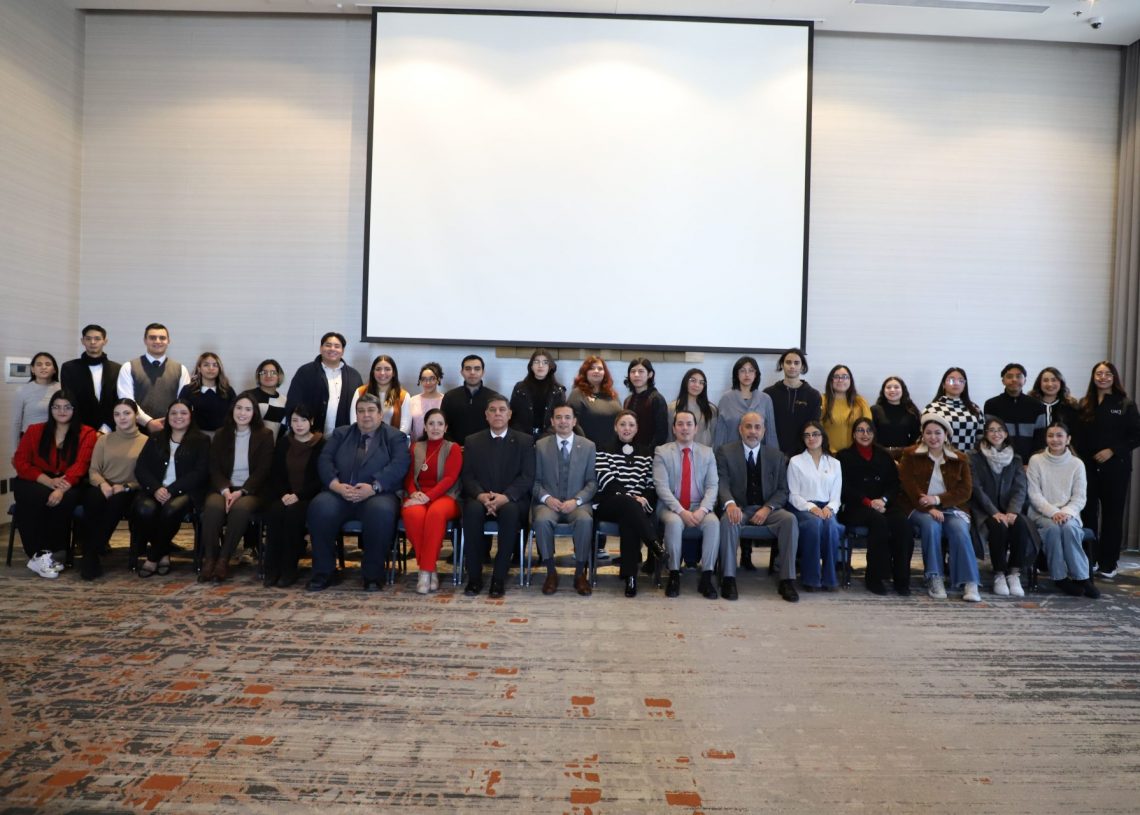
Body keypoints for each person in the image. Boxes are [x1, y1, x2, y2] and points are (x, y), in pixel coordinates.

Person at [306, 393, 410, 592]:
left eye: (371, 410)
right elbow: (325, 460)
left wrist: (374, 487)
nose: (366, 415)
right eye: (361, 411)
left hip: (378, 494)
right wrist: (336, 485)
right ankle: (324, 573)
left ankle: (373, 576)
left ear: (380, 414)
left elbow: (400, 464)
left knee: (380, 512)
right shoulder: (341, 433)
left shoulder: (394, 436)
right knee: (319, 507)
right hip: (340, 493)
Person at [11, 390, 98, 577]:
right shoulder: (35, 430)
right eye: (56, 407)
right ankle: (38, 555)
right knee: (32, 496)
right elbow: (20, 462)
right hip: (36, 478)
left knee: (65, 499)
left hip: (70, 481)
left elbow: (81, 465)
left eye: (67, 407)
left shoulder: (87, 433)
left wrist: (60, 488)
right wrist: (49, 482)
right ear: (50, 409)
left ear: (74, 409)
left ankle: (53, 552)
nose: (62, 411)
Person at [716, 412, 800, 602]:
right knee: (728, 521)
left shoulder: (776, 456)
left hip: (767, 510)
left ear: (764, 431)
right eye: (748, 426)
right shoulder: (725, 452)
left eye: (757, 427)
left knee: (790, 520)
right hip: (739, 508)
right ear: (740, 429)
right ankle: (728, 578)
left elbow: (783, 490)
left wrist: (767, 508)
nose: (752, 431)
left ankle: (787, 580)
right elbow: (722, 483)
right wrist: (730, 504)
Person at [898, 413, 980, 602]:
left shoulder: (960, 458)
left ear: (946, 435)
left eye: (937, 433)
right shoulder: (911, 454)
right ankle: (934, 577)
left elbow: (965, 491)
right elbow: (908, 486)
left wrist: (937, 500)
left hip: (951, 507)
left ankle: (969, 581)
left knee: (960, 529)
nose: (933, 437)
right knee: (931, 525)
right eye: (928, 433)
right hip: (918, 506)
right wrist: (929, 508)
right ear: (922, 435)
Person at [460, 395, 535, 598]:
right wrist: (481, 496)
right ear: (486, 415)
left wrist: (506, 496)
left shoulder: (525, 441)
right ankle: (474, 577)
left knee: (510, 513)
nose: (497, 414)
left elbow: (527, 476)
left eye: (502, 410)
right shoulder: (473, 441)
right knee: (471, 511)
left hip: (511, 500)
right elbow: (467, 476)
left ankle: (498, 578)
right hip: (480, 498)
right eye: (492, 410)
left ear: (509, 414)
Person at [197, 393, 274, 583]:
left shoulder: (265, 435)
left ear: (254, 413)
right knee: (212, 508)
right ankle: (210, 559)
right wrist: (225, 490)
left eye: (248, 409)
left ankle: (224, 560)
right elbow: (214, 467)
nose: (242, 413)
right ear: (232, 410)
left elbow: (263, 470)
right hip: (224, 488)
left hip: (251, 490)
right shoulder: (221, 434)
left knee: (240, 509)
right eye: (239, 408)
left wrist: (241, 491)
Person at [1076, 360, 1140, 579]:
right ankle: (1089, 558)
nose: (1102, 377)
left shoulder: (1125, 404)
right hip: (1087, 468)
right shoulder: (1084, 403)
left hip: (1116, 468)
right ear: (1093, 377)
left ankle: (1108, 563)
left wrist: (1112, 450)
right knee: (1088, 513)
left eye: (1107, 374)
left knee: (1113, 515)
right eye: (1099, 374)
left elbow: (1136, 435)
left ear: (1114, 378)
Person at [837, 417, 913, 596]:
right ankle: (874, 578)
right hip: (856, 507)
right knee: (878, 521)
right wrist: (868, 502)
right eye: (860, 430)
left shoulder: (884, 455)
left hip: (883, 504)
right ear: (853, 434)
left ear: (874, 433)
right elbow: (844, 487)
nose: (865, 434)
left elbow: (894, 484)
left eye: (869, 430)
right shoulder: (843, 457)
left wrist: (884, 500)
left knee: (902, 523)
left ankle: (902, 580)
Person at [133, 399, 210, 577]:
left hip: (185, 491)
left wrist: (172, 490)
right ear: (167, 416)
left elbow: (200, 472)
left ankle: (153, 557)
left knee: (170, 510)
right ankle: (164, 552)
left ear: (191, 416)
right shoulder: (156, 437)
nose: (178, 416)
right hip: (155, 489)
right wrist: (155, 488)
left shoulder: (201, 440)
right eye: (173, 413)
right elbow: (141, 468)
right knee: (144, 509)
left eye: (183, 413)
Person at [593, 410, 664, 598]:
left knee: (630, 517)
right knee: (628, 505)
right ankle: (654, 544)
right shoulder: (603, 449)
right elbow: (606, 479)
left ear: (637, 428)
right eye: (622, 424)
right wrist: (631, 497)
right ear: (615, 427)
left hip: (636, 507)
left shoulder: (646, 452)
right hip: (609, 503)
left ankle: (630, 577)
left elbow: (651, 484)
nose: (627, 428)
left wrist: (643, 499)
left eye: (631, 425)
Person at [1027, 421, 1099, 598]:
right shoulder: (1036, 460)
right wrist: (1054, 512)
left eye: (1059, 435)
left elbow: (1079, 497)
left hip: (1069, 514)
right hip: (1041, 513)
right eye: (1050, 435)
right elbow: (1034, 494)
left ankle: (1082, 577)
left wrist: (1065, 513)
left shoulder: (1077, 464)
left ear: (1068, 439)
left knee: (1069, 528)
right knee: (1052, 528)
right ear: (1046, 439)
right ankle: (1059, 577)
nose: (1055, 439)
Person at [532, 404, 597, 596]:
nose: (563, 421)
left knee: (585, 521)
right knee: (541, 521)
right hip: (548, 503)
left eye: (567, 417)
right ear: (552, 421)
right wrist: (547, 498)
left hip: (577, 504)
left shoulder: (588, 446)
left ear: (574, 421)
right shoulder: (540, 446)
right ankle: (551, 572)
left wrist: (576, 501)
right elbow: (534, 481)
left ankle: (580, 574)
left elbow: (592, 482)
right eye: (558, 417)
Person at [654, 410, 719, 599]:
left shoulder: (707, 453)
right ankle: (674, 574)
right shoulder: (662, 452)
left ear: (696, 428)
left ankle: (707, 576)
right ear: (674, 429)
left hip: (699, 506)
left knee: (713, 523)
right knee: (674, 523)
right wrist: (681, 511)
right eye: (680, 424)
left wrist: (703, 510)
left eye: (689, 424)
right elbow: (661, 487)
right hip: (671, 508)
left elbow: (712, 486)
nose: (685, 428)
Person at [80, 398, 147, 580]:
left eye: (127, 413)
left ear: (136, 416)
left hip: (129, 490)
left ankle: (91, 553)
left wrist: (125, 487)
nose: (122, 418)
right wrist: (103, 484)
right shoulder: (103, 440)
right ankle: (93, 551)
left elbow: (147, 477)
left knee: (117, 502)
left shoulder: (146, 442)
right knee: (92, 499)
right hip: (102, 485)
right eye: (117, 414)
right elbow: (94, 470)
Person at [968, 417, 1032, 598]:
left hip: (1009, 509)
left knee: (1021, 525)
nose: (996, 434)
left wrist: (1012, 511)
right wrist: (994, 512)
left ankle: (1014, 573)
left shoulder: (1016, 459)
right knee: (998, 526)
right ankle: (999, 573)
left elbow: (1020, 488)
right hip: (984, 510)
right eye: (991, 430)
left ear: (1005, 434)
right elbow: (976, 488)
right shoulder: (974, 457)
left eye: (1000, 430)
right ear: (985, 434)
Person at [262, 404, 325, 588]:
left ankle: (288, 569)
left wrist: (298, 495)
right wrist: (284, 494)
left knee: (293, 515)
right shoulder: (284, 443)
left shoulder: (320, 444)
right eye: (295, 420)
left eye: (303, 420)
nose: (299, 425)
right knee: (275, 512)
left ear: (311, 421)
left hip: (308, 497)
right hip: (284, 495)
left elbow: (320, 478)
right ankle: (271, 569)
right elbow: (275, 474)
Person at [402, 408, 462, 594]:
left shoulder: (453, 448)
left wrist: (428, 497)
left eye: (440, 424)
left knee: (435, 514)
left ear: (446, 428)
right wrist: (414, 494)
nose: (435, 428)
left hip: (446, 496)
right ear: (425, 427)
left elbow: (450, 479)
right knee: (412, 514)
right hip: (418, 496)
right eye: (431, 424)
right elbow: (408, 477)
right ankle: (430, 568)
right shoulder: (415, 447)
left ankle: (424, 571)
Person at [787, 420, 843, 592]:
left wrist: (829, 508)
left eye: (815, 434)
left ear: (822, 436)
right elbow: (793, 495)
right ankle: (810, 578)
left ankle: (830, 578)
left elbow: (836, 496)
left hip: (827, 507)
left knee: (831, 526)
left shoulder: (834, 463)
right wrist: (811, 507)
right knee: (814, 524)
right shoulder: (795, 461)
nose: (811, 438)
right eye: (807, 435)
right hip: (803, 508)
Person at [283, 332, 364, 437]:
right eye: (328, 345)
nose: (332, 349)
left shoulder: (354, 376)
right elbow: (293, 402)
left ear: (343, 351)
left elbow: (360, 407)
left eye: (337, 346)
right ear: (321, 348)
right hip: (310, 437)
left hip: (344, 438)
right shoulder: (305, 372)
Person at [116, 323, 191, 434]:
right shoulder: (128, 367)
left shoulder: (181, 369)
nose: (157, 341)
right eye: (152, 338)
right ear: (145, 340)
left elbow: (183, 403)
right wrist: (148, 422)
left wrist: (167, 421)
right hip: (136, 432)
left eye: (162, 338)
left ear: (168, 341)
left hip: (170, 430)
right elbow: (127, 402)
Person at [60, 324, 122, 433]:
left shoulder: (117, 369)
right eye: (88, 339)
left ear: (105, 341)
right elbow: (69, 400)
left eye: (97, 339)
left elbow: (118, 400)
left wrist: (106, 428)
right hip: (79, 429)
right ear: (82, 341)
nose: (92, 342)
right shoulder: (69, 368)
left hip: (110, 428)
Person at [763, 347, 821, 458]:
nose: (792, 366)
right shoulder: (768, 394)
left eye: (796, 363)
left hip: (803, 454)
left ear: (802, 366)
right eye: (788, 362)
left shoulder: (813, 395)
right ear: (782, 365)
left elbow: (813, 428)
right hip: (773, 453)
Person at [982, 363, 1046, 462]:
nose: (1014, 379)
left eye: (1019, 376)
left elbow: (1040, 438)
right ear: (1003, 381)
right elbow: (990, 436)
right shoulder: (991, 405)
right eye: (1009, 376)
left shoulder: (1037, 406)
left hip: (1029, 462)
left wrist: (1032, 461)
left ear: (1025, 380)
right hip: (999, 461)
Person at [713, 355, 778, 449]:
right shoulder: (726, 399)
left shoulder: (765, 399)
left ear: (756, 374)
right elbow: (720, 433)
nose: (747, 374)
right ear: (737, 374)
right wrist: (718, 455)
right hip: (731, 453)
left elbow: (771, 433)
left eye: (751, 371)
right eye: (742, 371)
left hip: (758, 454)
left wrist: (773, 455)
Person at [922, 367, 984, 453]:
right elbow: (924, 438)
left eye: (961, 381)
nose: (956, 383)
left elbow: (981, 438)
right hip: (941, 457)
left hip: (968, 458)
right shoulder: (931, 409)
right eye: (951, 380)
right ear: (943, 385)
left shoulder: (975, 409)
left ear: (964, 386)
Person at [350, 354, 412, 439]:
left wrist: (392, 441)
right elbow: (354, 421)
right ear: (373, 372)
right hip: (364, 440)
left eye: (387, 369)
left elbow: (405, 427)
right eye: (378, 369)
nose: (382, 373)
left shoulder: (403, 395)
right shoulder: (360, 392)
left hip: (392, 442)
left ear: (393, 373)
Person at [566, 356, 623, 448]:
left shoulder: (612, 394)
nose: (596, 371)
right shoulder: (577, 394)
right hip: (588, 449)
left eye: (600, 369)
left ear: (604, 373)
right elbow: (573, 424)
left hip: (614, 450)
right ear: (585, 372)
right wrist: (585, 446)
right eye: (591, 368)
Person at [509, 348, 567, 439]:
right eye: (536, 362)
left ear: (550, 366)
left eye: (545, 362)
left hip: (549, 438)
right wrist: (523, 437)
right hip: (522, 437)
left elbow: (560, 418)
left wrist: (546, 437)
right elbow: (512, 415)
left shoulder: (559, 391)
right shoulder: (520, 388)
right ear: (531, 366)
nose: (540, 365)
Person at [441, 354, 500, 444]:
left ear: (483, 372)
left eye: (477, 369)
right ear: (462, 372)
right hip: (456, 448)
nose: (472, 372)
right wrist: (453, 446)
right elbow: (443, 425)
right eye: (468, 369)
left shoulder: (494, 397)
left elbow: (498, 426)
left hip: (486, 448)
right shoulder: (450, 396)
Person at [178, 352, 236, 436]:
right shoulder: (188, 390)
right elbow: (180, 414)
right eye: (206, 365)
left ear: (219, 369)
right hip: (194, 436)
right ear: (199, 368)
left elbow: (234, 415)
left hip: (222, 437)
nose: (211, 368)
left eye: (215, 365)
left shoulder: (228, 391)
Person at [819, 364, 871, 453]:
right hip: (828, 454)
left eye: (845, 377)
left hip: (855, 454)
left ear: (850, 380)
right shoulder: (821, 400)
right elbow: (817, 430)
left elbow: (868, 429)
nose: (840, 380)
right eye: (836, 377)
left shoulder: (860, 402)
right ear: (830, 380)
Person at [13, 352, 60, 450]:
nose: (43, 367)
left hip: (54, 439)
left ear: (54, 369)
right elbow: (16, 422)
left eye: (48, 364)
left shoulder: (62, 389)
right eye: (39, 364)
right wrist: (15, 450)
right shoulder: (22, 390)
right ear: (32, 369)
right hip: (29, 439)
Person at [870, 376, 922, 459]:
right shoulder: (875, 410)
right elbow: (870, 435)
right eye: (888, 387)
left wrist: (907, 453)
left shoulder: (911, 412)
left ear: (903, 390)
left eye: (896, 387)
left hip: (904, 456)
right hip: (879, 455)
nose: (892, 390)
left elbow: (916, 437)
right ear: (883, 391)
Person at [623, 358, 668, 448]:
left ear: (650, 374)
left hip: (650, 452)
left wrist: (649, 451)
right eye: (633, 371)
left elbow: (661, 432)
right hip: (629, 450)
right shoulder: (627, 400)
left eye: (641, 371)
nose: (636, 375)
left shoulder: (657, 399)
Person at [668, 368, 718, 447]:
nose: (697, 385)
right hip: (679, 452)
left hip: (704, 452)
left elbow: (714, 436)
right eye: (693, 380)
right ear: (685, 382)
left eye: (701, 382)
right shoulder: (672, 408)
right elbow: (669, 436)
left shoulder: (711, 409)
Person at [1029, 366, 1079, 431]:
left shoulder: (1070, 406)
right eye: (1045, 380)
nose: (1050, 384)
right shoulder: (1030, 405)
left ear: (1061, 382)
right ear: (1039, 383)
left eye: (1054, 380)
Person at [408, 362, 445, 442]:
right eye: (424, 379)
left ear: (438, 379)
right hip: (416, 445)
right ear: (420, 381)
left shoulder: (445, 400)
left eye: (432, 379)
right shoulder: (412, 400)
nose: (428, 383)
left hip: (440, 445)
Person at [251, 359, 288, 439]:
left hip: (277, 445)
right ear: (258, 376)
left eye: (273, 372)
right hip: (251, 444)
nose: (268, 375)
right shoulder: (248, 396)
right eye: (264, 372)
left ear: (279, 376)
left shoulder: (284, 401)